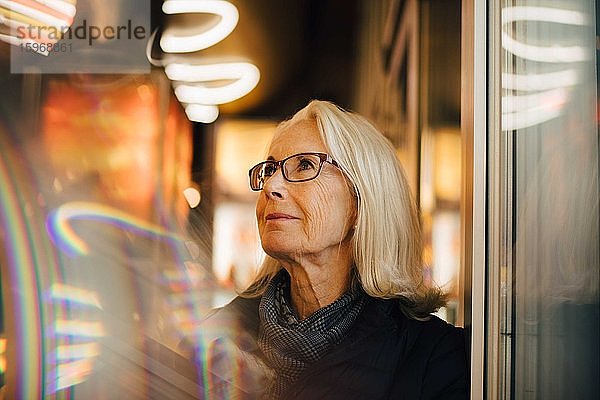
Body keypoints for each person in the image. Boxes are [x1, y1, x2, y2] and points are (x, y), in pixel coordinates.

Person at [190, 100, 469, 399]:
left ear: (362, 200)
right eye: (270, 169)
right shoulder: (210, 341)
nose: (271, 186)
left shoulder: (436, 359)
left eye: (305, 165)